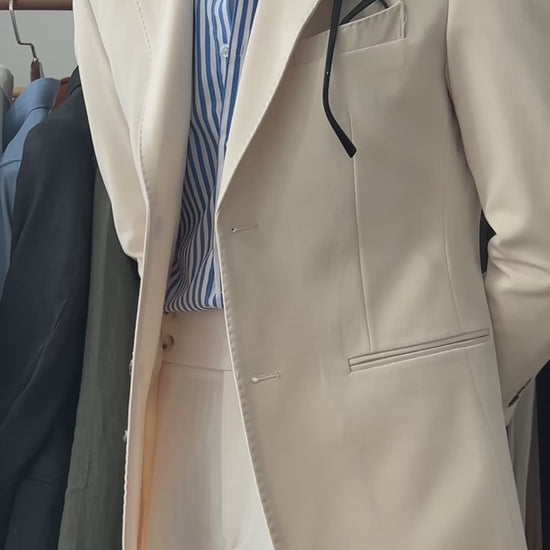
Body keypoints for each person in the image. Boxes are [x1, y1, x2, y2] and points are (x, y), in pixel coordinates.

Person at [74, 0, 550, 548]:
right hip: (181, 430)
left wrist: (449, 391)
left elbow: (538, 246)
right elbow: (141, 226)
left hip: (399, 446)